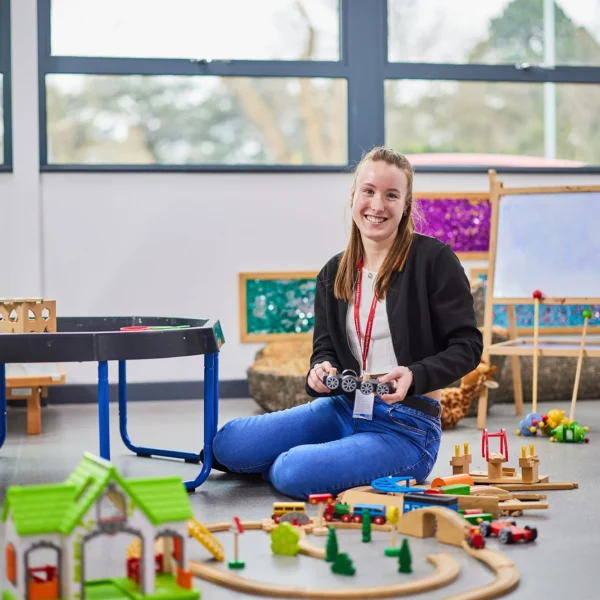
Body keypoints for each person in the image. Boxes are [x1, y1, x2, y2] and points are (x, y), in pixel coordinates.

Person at [209, 146, 483, 499]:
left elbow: (467, 347)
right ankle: (326, 459)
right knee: (227, 444)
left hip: (405, 427)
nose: (377, 205)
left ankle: (307, 462)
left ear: (406, 205)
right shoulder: (333, 271)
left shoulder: (435, 260)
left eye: (391, 195)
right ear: (354, 195)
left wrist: (415, 375)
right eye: (368, 191)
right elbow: (324, 347)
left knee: (291, 470)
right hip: (344, 406)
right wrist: (320, 369)